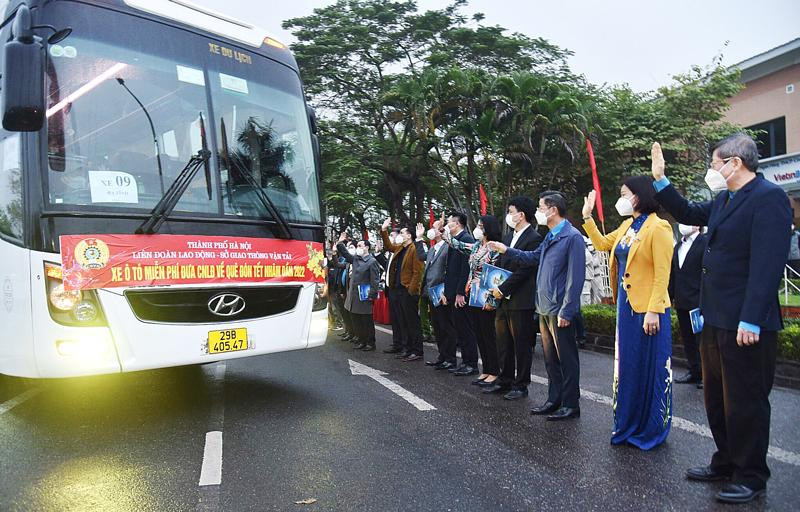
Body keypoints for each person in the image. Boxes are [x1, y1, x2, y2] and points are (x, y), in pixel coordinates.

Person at [651, 134, 792, 504]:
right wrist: (661, 180)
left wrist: (751, 319)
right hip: (714, 318)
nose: (711, 170)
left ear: (736, 163)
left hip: (746, 322)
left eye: (715, 164)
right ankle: (726, 460)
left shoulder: (769, 199)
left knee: (746, 401)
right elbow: (687, 212)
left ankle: (751, 475)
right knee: (717, 398)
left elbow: (767, 264)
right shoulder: (724, 199)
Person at [582, 175, 674, 450]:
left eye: (624, 193)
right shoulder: (626, 226)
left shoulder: (659, 227)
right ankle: (627, 422)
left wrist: (654, 310)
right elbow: (601, 244)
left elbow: (662, 273)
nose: (620, 199)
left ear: (639, 195)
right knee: (628, 367)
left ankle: (650, 428)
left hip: (648, 310)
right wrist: (587, 217)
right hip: (626, 308)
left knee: (650, 368)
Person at [489, 191, 585, 420]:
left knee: (567, 359)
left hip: (560, 308)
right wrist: (506, 250)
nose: (539, 212)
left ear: (553, 210)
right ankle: (554, 399)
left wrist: (568, 309)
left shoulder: (572, 237)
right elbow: (533, 258)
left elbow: (576, 277)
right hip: (544, 307)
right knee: (551, 359)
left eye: (541, 208)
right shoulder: (551, 236)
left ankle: (571, 403)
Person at [483, 197, 542, 400]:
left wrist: (503, 288)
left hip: (520, 297)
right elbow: (499, 266)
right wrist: (493, 289)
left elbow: (525, 269)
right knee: (503, 341)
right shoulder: (507, 238)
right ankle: (505, 378)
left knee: (521, 344)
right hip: (502, 297)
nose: (509, 215)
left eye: (511, 211)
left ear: (521, 215)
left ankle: (521, 384)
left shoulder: (534, 238)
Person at [441, 215, 503, 386]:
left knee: (489, 334)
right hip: (473, 294)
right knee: (480, 334)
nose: (478, 229)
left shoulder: (496, 248)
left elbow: (498, 273)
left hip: (487, 294)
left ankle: (495, 371)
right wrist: (442, 231)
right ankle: (487, 370)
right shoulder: (476, 246)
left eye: (481, 226)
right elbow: (457, 244)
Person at [436, 212, 480, 375]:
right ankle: (466, 361)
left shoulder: (466, 239)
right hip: (453, 291)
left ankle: (471, 363)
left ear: (457, 224)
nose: (447, 225)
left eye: (449, 223)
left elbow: (465, 269)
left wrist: (461, 292)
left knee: (466, 329)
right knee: (460, 328)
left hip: (461, 293)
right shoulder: (455, 241)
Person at [669, 224, 708, 388]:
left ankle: (707, 375)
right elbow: (673, 274)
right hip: (682, 301)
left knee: (702, 341)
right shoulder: (678, 245)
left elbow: (707, 273)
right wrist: (668, 297)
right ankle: (694, 371)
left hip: (698, 302)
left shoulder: (704, 242)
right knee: (688, 340)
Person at [381, 219, 425, 361]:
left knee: (412, 322)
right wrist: (384, 230)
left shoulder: (414, 248)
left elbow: (418, 272)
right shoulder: (400, 248)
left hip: (408, 291)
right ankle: (407, 348)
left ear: (409, 236)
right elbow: (388, 245)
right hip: (397, 289)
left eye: (402, 233)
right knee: (403, 321)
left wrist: (411, 290)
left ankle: (417, 350)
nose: (400, 235)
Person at [413, 219, 450, 367]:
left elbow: (449, 270)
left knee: (445, 326)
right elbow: (421, 256)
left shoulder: (448, 247)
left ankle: (450, 358)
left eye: (435, 228)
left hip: (442, 293)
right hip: (430, 292)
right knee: (437, 326)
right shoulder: (433, 248)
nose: (432, 231)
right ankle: (442, 356)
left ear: (442, 231)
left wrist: (446, 290)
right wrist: (419, 238)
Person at [336, 234, 382, 351]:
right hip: (354, 295)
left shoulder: (372, 262)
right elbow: (345, 254)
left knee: (366, 320)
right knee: (356, 319)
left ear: (367, 247)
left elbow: (375, 280)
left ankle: (370, 342)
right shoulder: (356, 259)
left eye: (360, 245)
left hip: (365, 296)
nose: (358, 247)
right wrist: (340, 243)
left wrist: (371, 296)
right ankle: (362, 340)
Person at [381, 228, 406, 354]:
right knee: (395, 319)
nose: (391, 238)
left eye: (393, 235)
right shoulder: (392, 253)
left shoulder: (402, 251)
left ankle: (404, 344)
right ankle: (397, 343)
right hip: (390, 289)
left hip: (399, 290)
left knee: (402, 319)